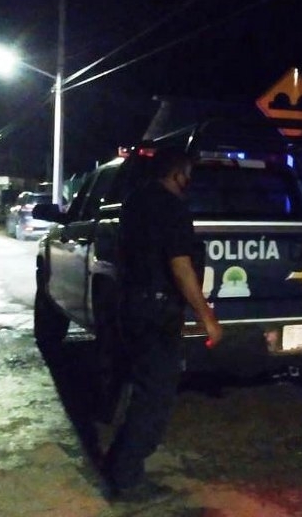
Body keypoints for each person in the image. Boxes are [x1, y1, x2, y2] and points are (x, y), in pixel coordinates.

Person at [103, 147, 223, 501]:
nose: (190, 181)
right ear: (178, 174)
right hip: (156, 312)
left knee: (142, 387)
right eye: (189, 174)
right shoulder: (172, 207)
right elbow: (180, 265)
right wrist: (207, 319)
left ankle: (120, 463)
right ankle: (125, 476)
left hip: (132, 306)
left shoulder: (136, 200)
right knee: (155, 397)